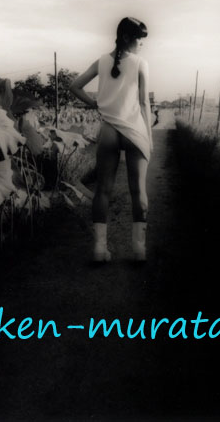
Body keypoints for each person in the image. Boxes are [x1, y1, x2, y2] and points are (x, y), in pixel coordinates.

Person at [70, 17, 153, 262]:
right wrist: (149, 137)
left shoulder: (101, 61)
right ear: (126, 38)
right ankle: (139, 250)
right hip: (135, 131)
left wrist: (94, 103)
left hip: (108, 131)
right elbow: (144, 103)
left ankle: (99, 249)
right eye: (139, 39)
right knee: (138, 191)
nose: (142, 44)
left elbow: (74, 86)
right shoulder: (140, 63)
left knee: (102, 190)